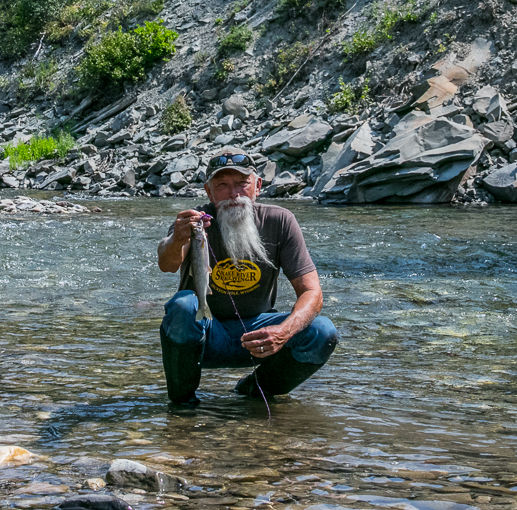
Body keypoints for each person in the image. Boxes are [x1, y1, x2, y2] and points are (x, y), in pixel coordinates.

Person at [157, 147, 338, 405]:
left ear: (258, 186)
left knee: (322, 331)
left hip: (259, 335)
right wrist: (177, 237)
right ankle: (183, 403)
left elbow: (312, 293)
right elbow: (166, 264)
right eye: (222, 185)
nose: (234, 194)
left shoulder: (281, 220)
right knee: (183, 305)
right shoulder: (194, 223)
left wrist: (284, 332)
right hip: (204, 334)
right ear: (209, 192)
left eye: (242, 183)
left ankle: (255, 390)